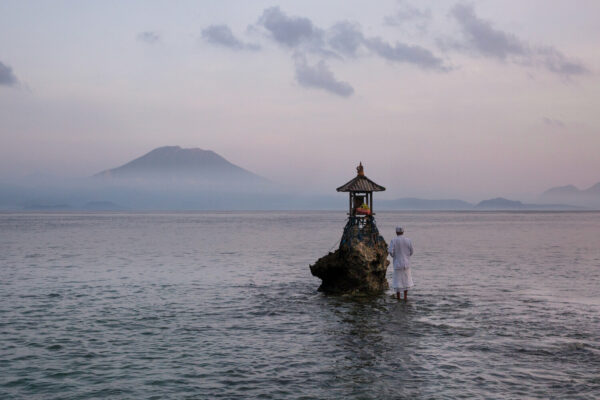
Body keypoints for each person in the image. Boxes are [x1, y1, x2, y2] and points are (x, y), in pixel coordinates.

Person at [388, 226, 414, 301]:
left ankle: (398, 297)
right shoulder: (408, 240)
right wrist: (407, 256)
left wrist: (393, 256)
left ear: (396, 232)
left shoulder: (394, 240)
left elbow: (390, 251)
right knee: (406, 281)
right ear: (403, 232)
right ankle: (405, 297)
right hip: (406, 264)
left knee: (397, 281)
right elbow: (411, 251)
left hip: (397, 263)